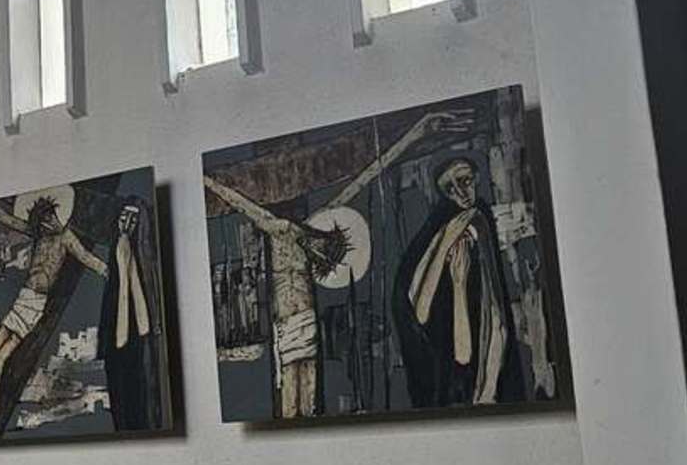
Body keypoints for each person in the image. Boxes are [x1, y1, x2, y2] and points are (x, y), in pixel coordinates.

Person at [203, 106, 471, 418]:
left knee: (306, 403)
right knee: (292, 403)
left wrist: (415, 134)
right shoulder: (282, 228)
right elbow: (242, 203)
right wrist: (207, 182)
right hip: (287, 324)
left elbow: (363, 178)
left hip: (304, 323)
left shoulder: (305, 230)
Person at [0, 194, 109, 440]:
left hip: (35, 304)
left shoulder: (66, 237)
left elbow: (86, 257)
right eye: (45, 220)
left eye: (52, 218)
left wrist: (108, 271)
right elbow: (8, 220)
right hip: (22, 299)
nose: (50, 223)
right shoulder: (39, 234)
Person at [393, 158, 524, 407]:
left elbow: (492, 305)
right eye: (450, 188)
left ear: (476, 178)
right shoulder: (444, 228)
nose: (461, 192)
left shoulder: (477, 218)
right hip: (450, 352)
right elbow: (419, 307)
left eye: (465, 181)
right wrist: (452, 268)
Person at [97, 200, 160, 431]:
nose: (127, 223)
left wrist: (127, 266)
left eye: (133, 220)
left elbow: (142, 319)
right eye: (124, 217)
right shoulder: (117, 249)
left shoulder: (139, 255)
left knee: (135, 397)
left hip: (132, 340)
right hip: (119, 338)